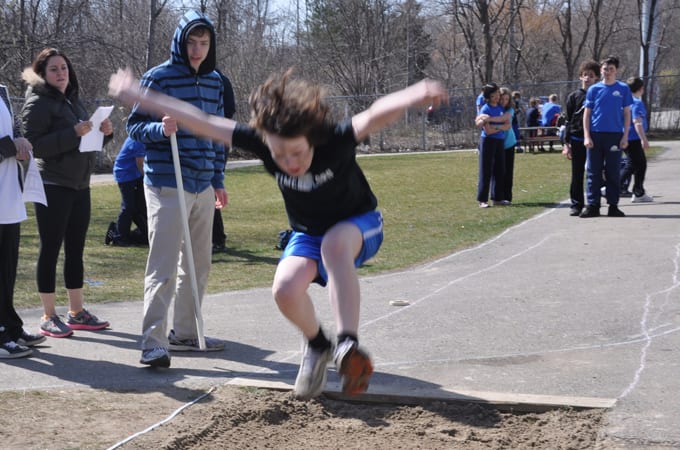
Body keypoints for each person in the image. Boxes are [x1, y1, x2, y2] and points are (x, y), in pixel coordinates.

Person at [108, 67, 448, 399]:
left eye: (297, 153)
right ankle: (318, 344)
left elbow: (374, 115)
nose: (289, 163)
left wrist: (415, 93)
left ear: (312, 139)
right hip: (308, 233)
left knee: (334, 246)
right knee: (284, 290)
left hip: (359, 223)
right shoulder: (263, 143)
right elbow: (203, 121)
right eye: (279, 155)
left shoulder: (333, 139)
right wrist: (142, 96)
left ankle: (347, 344)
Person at [126, 11, 227, 368]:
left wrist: (218, 180)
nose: (197, 50)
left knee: (199, 265)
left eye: (204, 43)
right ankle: (153, 342)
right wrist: (160, 130)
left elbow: (216, 135)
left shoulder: (215, 82)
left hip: (201, 184)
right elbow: (134, 127)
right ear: (180, 43)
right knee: (163, 265)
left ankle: (185, 333)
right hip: (168, 183)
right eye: (191, 43)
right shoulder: (159, 78)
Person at [21, 48, 113, 338]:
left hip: (79, 184)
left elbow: (87, 138)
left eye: (64, 68)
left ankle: (76, 312)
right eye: (54, 70)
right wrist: (73, 133)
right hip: (53, 185)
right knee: (50, 249)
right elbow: (32, 145)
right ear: (43, 75)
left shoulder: (72, 100)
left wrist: (104, 131)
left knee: (76, 248)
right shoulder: (37, 102)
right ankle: (48, 315)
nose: (61, 74)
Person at [0, 83, 46, 358]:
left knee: (7, 271)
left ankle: (11, 327)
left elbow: (13, 131)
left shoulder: (2, 90)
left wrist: (21, 143)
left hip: (8, 198)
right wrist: (9, 146)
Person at [580, 55, 633, 218]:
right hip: (596, 135)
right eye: (605, 69)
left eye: (611, 69)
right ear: (601, 70)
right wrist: (587, 136)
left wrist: (625, 136)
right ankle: (593, 205)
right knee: (593, 172)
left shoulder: (623, 89)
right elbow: (587, 114)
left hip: (615, 136)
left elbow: (626, 114)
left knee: (613, 172)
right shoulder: (594, 89)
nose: (608, 72)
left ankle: (613, 205)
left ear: (616, 71)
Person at [562, 60, 600, 216]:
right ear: (580, 77)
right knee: (577, 173)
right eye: (585, 75)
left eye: (591, 76)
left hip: (595, 139)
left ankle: (593, 202)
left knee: (595, 172)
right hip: (578, 139)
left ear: (596, 78)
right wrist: (566, 143)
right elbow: (567, 121)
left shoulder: (598, 94)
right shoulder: (574, 96)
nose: (587, 78)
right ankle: (576, 204)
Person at [106, 136, 148, 246]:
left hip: (135, 174)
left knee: (141, 206)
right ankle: (119, 237)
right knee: (128, 206)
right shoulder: (139, 138)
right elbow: (140, 163)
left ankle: (142, 234)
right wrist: (148, 180)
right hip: (125, 174)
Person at [212, 69, 236, 254]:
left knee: (210, 188)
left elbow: (228, 111)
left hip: (217, 138)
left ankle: (217, 238)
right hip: (218, 136)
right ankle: (214, 237)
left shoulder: (218, 79)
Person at [474, 83, 507, 208]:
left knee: (500, 169)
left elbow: (507, 125)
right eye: (494, 95)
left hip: (499, 141)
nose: (497, 97)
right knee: (486, 170)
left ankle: (497, 198)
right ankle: (482, 200)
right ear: (488, 96)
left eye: (498, 94)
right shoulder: (485, 109)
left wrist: (497, 127)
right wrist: (500, 127)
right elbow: (488, 131)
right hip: (488, 141)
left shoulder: (500, 108)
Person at [620, 77, 653, 203]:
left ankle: (639, 192)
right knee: (632, 164)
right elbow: (637, 122)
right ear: (641, 89)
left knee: (640, 164)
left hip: (626, 137)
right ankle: (612, 186)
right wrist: (643, 139)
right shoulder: (636, 103)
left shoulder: (625, 101)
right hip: (632, 138)